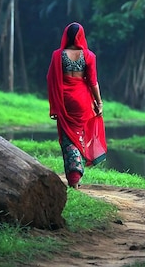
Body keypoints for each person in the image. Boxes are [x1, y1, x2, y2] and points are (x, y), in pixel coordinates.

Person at [47, 22, 107, 189]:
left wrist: (53, 106)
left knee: (68, 138)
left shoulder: (58, 55)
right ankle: (77, 176)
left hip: (64, 100)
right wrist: (99, 102)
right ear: (81, 36)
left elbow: (51, 79)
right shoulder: (89, 56)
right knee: (80, 134)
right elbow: (93, 82)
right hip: (82, 100)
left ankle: (73, 177)